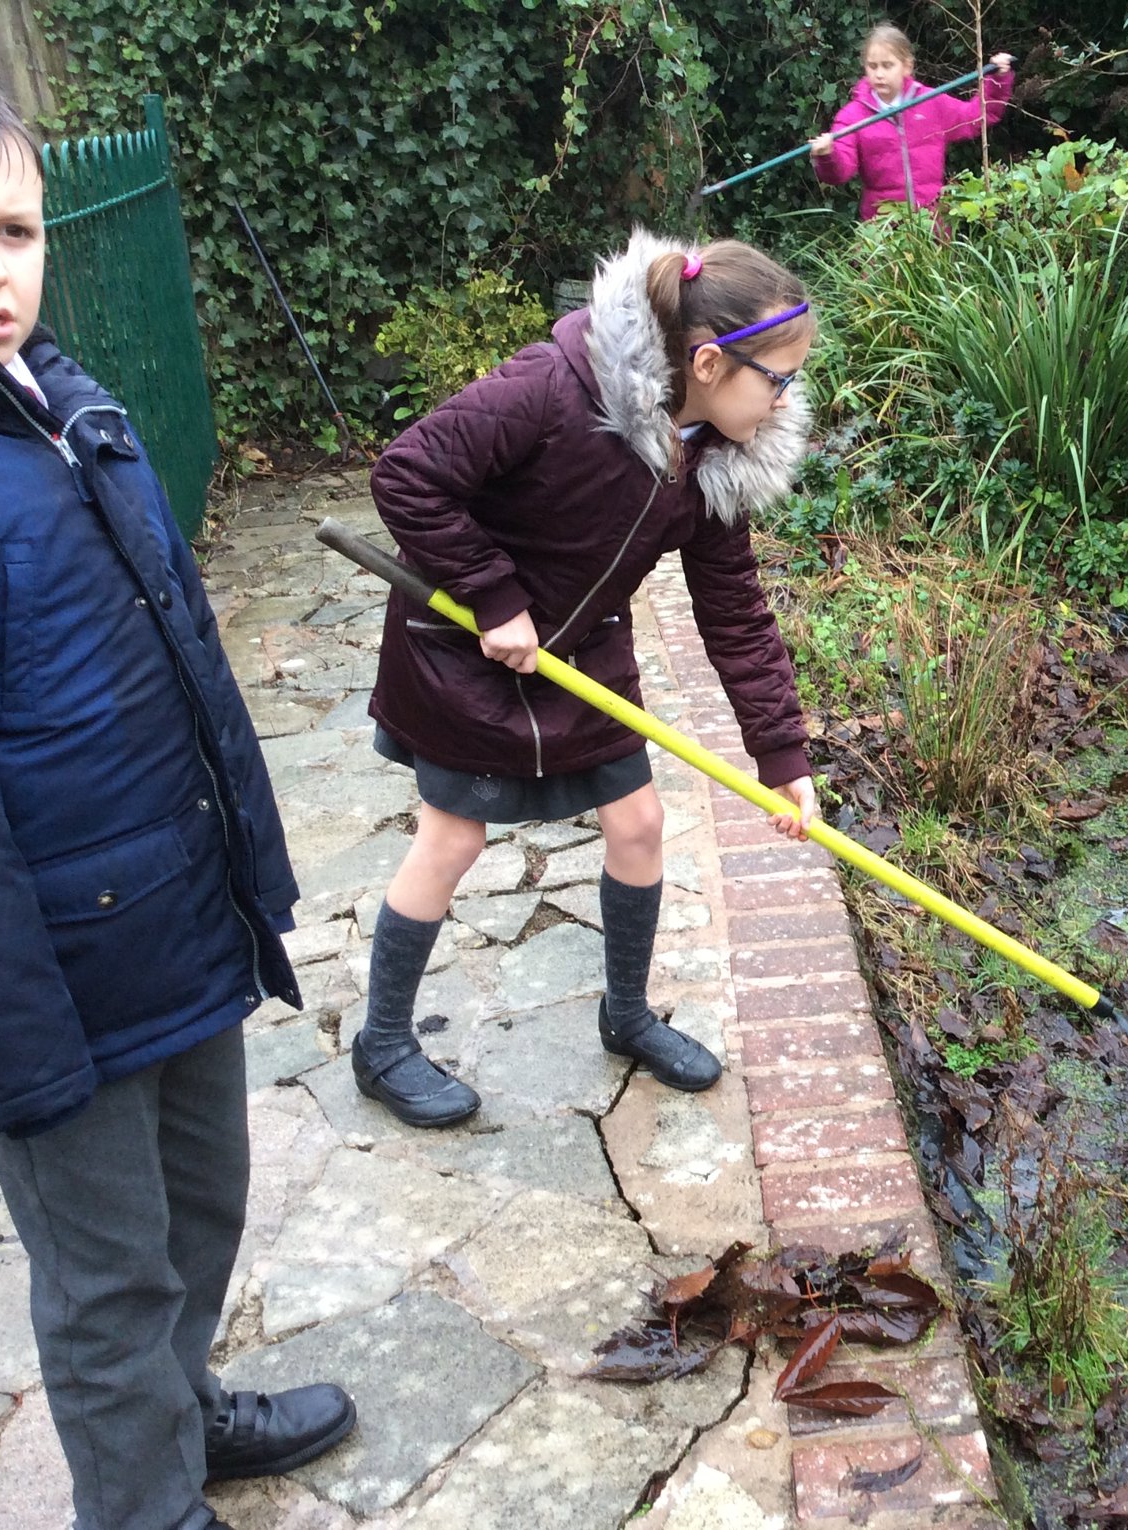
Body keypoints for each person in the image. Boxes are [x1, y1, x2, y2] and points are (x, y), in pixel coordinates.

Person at [0, 49, 353, 1530]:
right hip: (51, 975)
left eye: (14, 234)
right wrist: (17, 1051)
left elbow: (186, 654)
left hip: (171, 910)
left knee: (204, 1201)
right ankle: (143, 1504)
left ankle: (187, 1409)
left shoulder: (60, 405)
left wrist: (245, 872)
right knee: (106, 1277)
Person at [350, 230, 819, 1128]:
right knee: (450, 841)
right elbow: (408, 475)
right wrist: (489, 595)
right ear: (711, 363)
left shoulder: (713, 456)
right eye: (779, 378)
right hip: (462, 649)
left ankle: (628, 1014)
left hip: (582, 651)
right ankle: (382, 1045)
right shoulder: (551, 389)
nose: (788, 397)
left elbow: (735, 610)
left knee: (639, 821)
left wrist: (781, 752)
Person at [810, 23, 1013, 225]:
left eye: (887, 65)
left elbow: (976, 117)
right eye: (872, 66)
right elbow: (840, 172)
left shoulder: (931, 102)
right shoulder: (853, 116)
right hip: (882, 228)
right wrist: (828, 154)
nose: (879, 74)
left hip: (931, 224)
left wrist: (998, 80)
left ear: (907, 66)